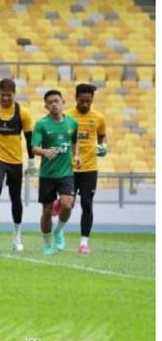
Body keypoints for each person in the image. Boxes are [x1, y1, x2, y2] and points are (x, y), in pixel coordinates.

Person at [0, 78, 36, 252]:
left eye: (9, 95)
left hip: (15, 160)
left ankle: (17, 236)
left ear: (14, 94)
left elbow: (29, 139)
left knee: (16, 198)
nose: (6, 98)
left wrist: (31, 161)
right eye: (2, 95)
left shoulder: (23, 113)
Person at [32, 90, 80, 256]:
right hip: (47, 175)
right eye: (50, 102)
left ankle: (59, 230)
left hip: (66, 172)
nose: (54, 104)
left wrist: (76, 156)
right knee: (46, 211)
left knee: (67, 204)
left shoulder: (72, 124)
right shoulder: (41, 124)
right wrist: (44, 151)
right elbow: (34, 147)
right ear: (46, 106)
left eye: (56, 101)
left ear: (63, 102)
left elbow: (74, 141)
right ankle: (46, 244)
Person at [65, 83, 107, 254]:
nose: (85, 104)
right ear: (76, 98)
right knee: (67, 204)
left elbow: (102, 136)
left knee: (87, 204)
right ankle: (59, 228)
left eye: (88, 101)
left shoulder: (98, 118)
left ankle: (84, 242)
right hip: (69, 168)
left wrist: (103, 147)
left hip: (90, 168)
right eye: (82, 101)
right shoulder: (66, 116)